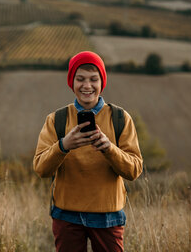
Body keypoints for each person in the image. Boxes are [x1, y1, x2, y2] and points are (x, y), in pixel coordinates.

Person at [33, 51, 143, 252]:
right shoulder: (56, 120)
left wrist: (109, 149)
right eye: (80, 79)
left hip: (108, 215)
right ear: (71, 82)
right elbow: (41, 169)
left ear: (102, 82)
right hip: (66, 215)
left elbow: (134, 171)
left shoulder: (120, 118)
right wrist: (63, 145)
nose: (87, 86)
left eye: (94, 79)